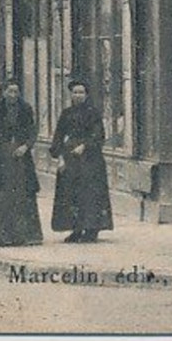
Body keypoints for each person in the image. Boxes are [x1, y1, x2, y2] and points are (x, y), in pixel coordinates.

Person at [0, 79, 44, 246]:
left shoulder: (26, 109)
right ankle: (1, 235)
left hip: (21, 158)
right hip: (1, 157)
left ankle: (24, 235)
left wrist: (26, 146)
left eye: (16, 91)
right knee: (1, 194)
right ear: (4, 92)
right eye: (10, 91)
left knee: (22, 194)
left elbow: (32, 131)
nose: (13, 95)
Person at [49, 79, 115, 243]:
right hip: (71, 158)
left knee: (90, 194)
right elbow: (58, 135)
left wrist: (85, 146)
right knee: (72, 194)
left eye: (81, 92)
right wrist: (59, 156)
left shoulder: (93, 113)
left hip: (91, 160)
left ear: (86, 95)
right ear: (71, 94)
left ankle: (92, 229)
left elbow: (99, 135)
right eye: (75, 92)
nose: (78, 95)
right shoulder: (66, 113)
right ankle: (76, 229)